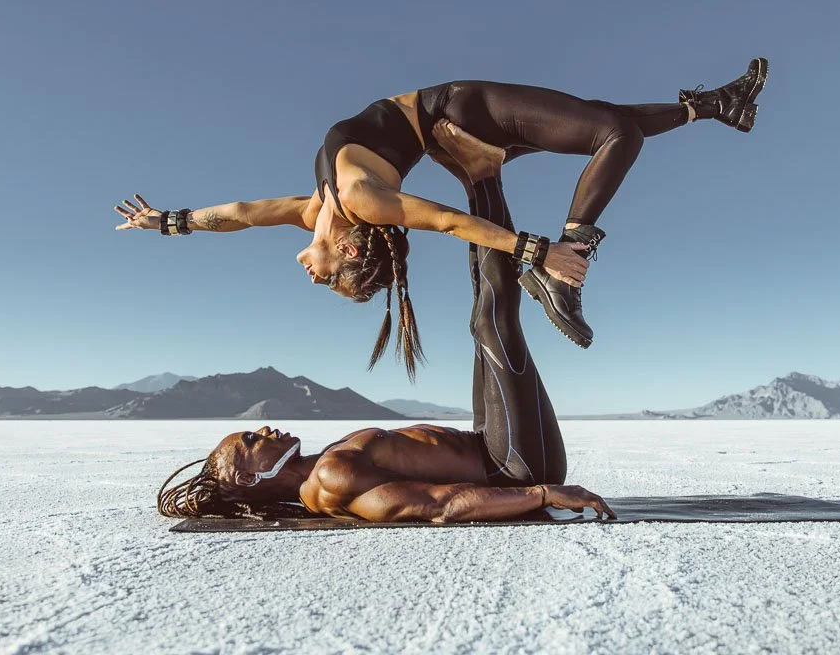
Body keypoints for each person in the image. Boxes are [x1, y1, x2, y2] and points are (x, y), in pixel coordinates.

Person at [116, 58, 768, 376]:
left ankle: (715, 106)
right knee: (614, 134)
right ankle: (578, 249)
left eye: (319, 282)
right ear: (347, 250)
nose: (308, 277)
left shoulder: (314, 209)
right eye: (327, 281)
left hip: (453, 126)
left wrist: (166, 222)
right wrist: (539, 252)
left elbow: (234, 215)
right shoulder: (358, 202)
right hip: (459, 112)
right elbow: (450, 221)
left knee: (605, 117)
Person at [157, 129, 614, 523]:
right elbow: (438, 505)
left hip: (501, 450)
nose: (267, 429)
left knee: (486, 325)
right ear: (248, 477)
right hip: (512, 467)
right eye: (253, 440)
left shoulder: (325, 463)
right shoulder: (331, 479)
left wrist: (175, 221)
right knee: (490, 323)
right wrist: (541, 495)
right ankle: (483, 173)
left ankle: (484, 177)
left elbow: (246, 212)